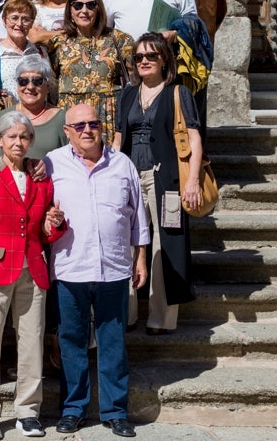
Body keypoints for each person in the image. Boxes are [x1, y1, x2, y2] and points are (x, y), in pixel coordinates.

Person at [47, 103, 149, 438]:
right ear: (67, 131)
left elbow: (138, 218)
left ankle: (115, 411)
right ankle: (73, 409)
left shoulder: (122, 164)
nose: (88, 130)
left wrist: (141, 258)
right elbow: (41, 211)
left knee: (113, 341)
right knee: (71, 340)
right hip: (69, 267)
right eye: (80, 126)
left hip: (114, 267)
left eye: (94, 123)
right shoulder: (51, 165)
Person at [0, 111, 61, 440]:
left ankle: (28, 410)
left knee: (32, 342)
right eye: (12, 137)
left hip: (33, 269)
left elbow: (45, 230)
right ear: (0, 140)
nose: (19, 142)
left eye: (24, 137)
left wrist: (54, 224)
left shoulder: (41, 179)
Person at [112, 32, 203, 336]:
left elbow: (193, 137)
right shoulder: (125, 95)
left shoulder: (178, 93)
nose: (144, 61)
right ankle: (124, 313)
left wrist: (192, 180)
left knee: (165, 243)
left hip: (165, 178)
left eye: (151, 56)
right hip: (129, 176)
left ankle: (161, 318)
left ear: (165, 59)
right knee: (124, 241)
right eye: (138, 57)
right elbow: (118, 138)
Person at [47, 0, 135, 131]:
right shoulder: (58, 43)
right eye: (78, 5)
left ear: (98, 8)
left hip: (108, 117)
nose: (84, 11)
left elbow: (136, 78)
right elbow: (51, 82)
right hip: (72, 116)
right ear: (70, 10)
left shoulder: (119, 39)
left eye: (91, 5)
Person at [0, 0, 46, 102]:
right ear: (4, 20)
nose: (19, 24)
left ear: (31, 24)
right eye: (14, 18)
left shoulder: (40, 52)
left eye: (26, 19)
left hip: (36, 115)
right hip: (5, 114)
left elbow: (50, 88)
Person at [8, 55, 67, 160]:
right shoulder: (4, 117)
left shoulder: (62, 118)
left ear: (48, 87)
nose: (30, 87)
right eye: (23, 81)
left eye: (37, 81)